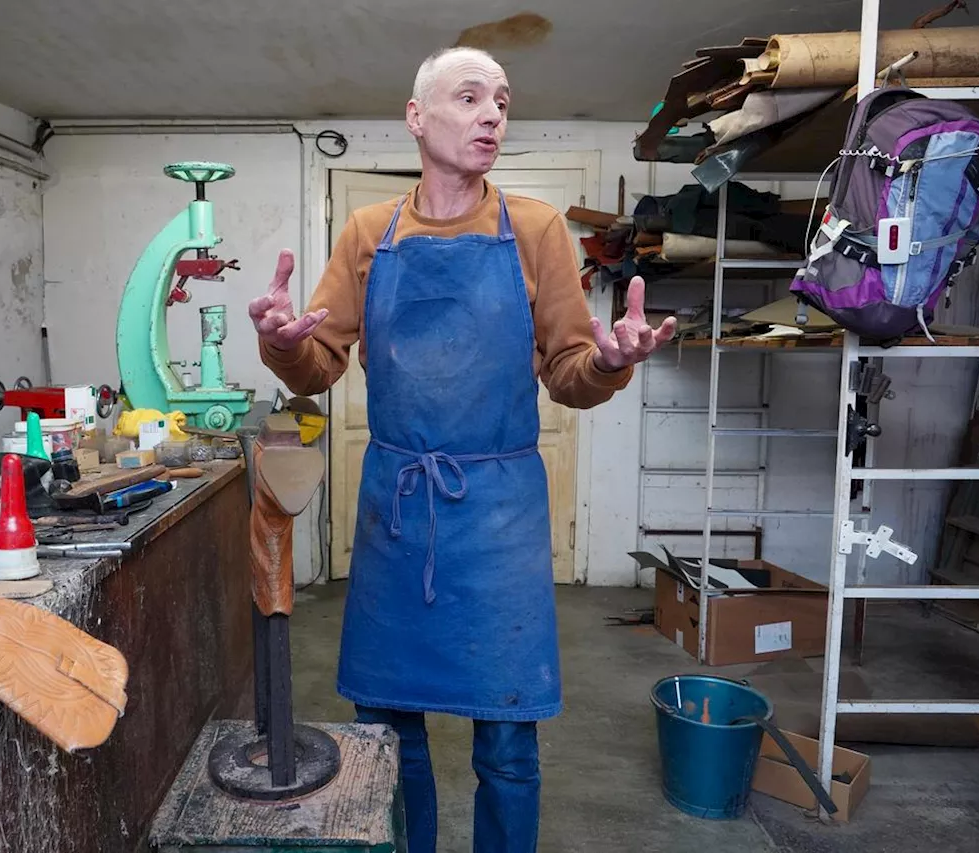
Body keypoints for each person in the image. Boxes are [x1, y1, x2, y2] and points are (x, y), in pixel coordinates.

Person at [248, 45, 676, 853]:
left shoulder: (538, 230)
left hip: (501, 519)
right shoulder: (371, 232)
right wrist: (279, 343)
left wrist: (610, 364)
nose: (492, 115)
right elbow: (318, 367)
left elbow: (569, 375)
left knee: (509, 740)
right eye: (470, 97)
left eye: (503, 102)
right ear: (417, 117)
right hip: (398, 514)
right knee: (386, 730)